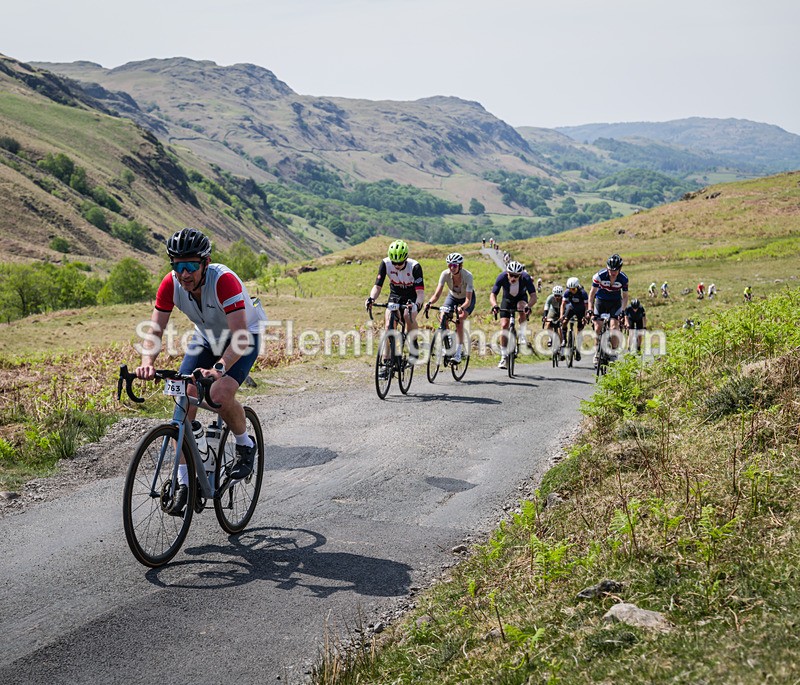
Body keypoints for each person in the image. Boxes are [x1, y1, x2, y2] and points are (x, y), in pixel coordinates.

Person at [135, 227, 265, 515]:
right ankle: (184, 484)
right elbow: (155, 329)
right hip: (206, 337)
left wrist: (219, 368)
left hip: (243, 336)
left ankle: (245, 444)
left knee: (218, 393)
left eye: (192, 265)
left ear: (205, 263)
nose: (185, 274)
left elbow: (241, 337)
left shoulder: (224, 282)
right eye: (179, 266)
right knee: (184, 400)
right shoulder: (170, 284)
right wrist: (147, 362)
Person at [365, 240, 425, 374]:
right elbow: (377, 286)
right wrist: (372, 298)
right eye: (394, 263)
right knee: (388, 327)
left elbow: (420, 293)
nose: (397, 266)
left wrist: (416, 305)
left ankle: (413, 343)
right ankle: (386, 361)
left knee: (407, 316)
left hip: (412, 296)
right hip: (395, 295)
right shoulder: (385, 263)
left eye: (400, 263)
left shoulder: (415, 267)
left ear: (406, 258)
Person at [424, 252, 475, 364]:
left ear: (460, 266)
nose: (452, 267)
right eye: (450, 265)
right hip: (452, 297)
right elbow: (437, 294)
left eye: (455, 265)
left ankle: (458, 352)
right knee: (443, 316)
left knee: (460, 319)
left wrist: (461, 308)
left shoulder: (467, 276)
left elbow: (468, 300)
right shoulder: (445, 274)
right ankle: (449, 340)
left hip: (466, 299)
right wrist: (429, 303)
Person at [489, 261, 537, 369]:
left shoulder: (526, 278)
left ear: (520, 275)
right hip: (507, 300)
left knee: (521, 308)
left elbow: (534, 296)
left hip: (521, 299)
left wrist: (528, 306)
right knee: (504, 325)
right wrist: (494, 305)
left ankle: (522, 334)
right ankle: (503, 356)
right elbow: (493, 294)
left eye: (516, 276)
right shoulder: (501, 277)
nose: (513, 278)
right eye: (511, 275)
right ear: (507, 273)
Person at [588, 253, 629, 363]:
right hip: (600, 302)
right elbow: (591, 294)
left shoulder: (623, 279)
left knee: (614, 329)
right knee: (597, 327)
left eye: (615, 270)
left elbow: (625, 297)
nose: (612, 273)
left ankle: (614, 353)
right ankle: (597, 351)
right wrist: (590, 309)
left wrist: (623, 311)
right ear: (607, 268)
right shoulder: (599, 276)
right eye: (610, 270)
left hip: (615, 303)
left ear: (620, 269)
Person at [559, 276, 589, 361]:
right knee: (564, 322)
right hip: (571, 308)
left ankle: (578, 349)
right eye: (570, 289)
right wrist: (561, 315)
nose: (572, 291)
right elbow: (563, 304)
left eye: (574, 289)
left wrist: (586, 316)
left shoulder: (583, 293)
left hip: (581, 310)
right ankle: (564, 340)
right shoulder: (567, 292)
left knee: (580, 328)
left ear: (577, 287)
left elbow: (587, 306)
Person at [542, 285, 565, 360]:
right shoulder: (550, 298)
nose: (557, 297)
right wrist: (545, 316)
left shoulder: (564, 298)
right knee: (548, 323)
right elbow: (546, 306)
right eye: (556, 295)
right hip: (553, 311)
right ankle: (550, 338)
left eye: (559, 296)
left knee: (560, 329)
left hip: (562, 311)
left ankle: (561, 348)